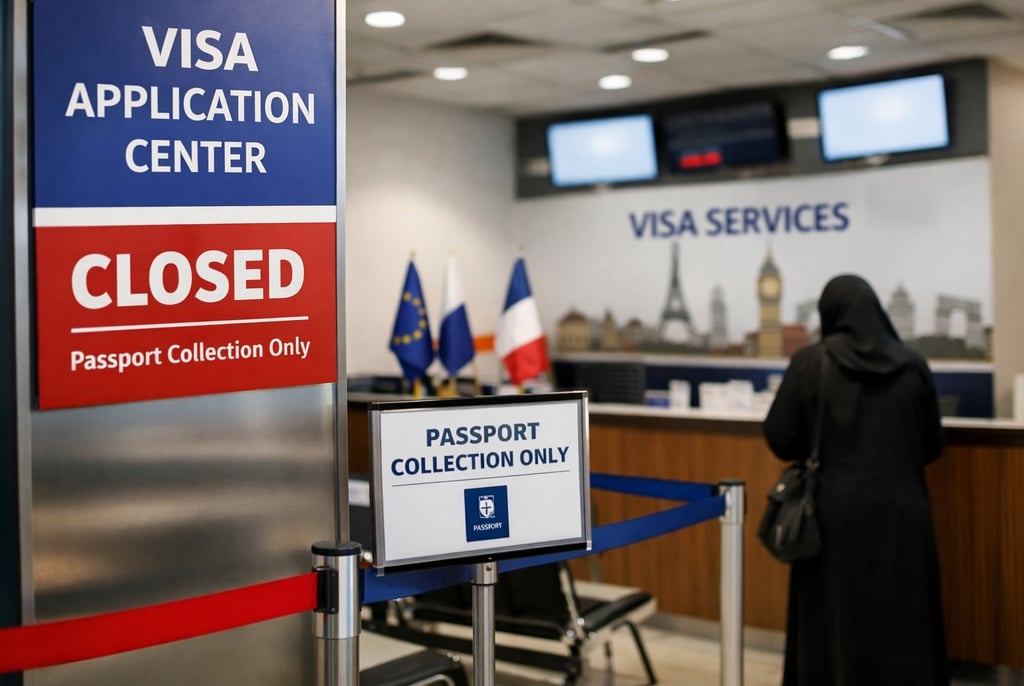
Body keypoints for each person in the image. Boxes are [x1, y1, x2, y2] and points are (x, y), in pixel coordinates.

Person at [763, 274, 949, 686]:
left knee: (832, 621)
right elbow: (932, 445)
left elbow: (778, 435)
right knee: (904, 617)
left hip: (833, 517)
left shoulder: (812, 363)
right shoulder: (913, 366)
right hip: (904, 515)